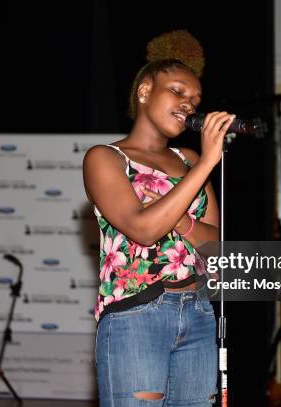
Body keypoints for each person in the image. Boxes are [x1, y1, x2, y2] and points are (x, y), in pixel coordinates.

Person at [83, 30, 235, 406]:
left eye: (196, 99)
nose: (189, 104)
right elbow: (144, 229)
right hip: (136, 315)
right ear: (145, 91)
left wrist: (183, 219)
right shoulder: (105, 158)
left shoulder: (189, 160)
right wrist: (209, 165)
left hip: (199, 313)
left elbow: (215, 248)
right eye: (178, 92)